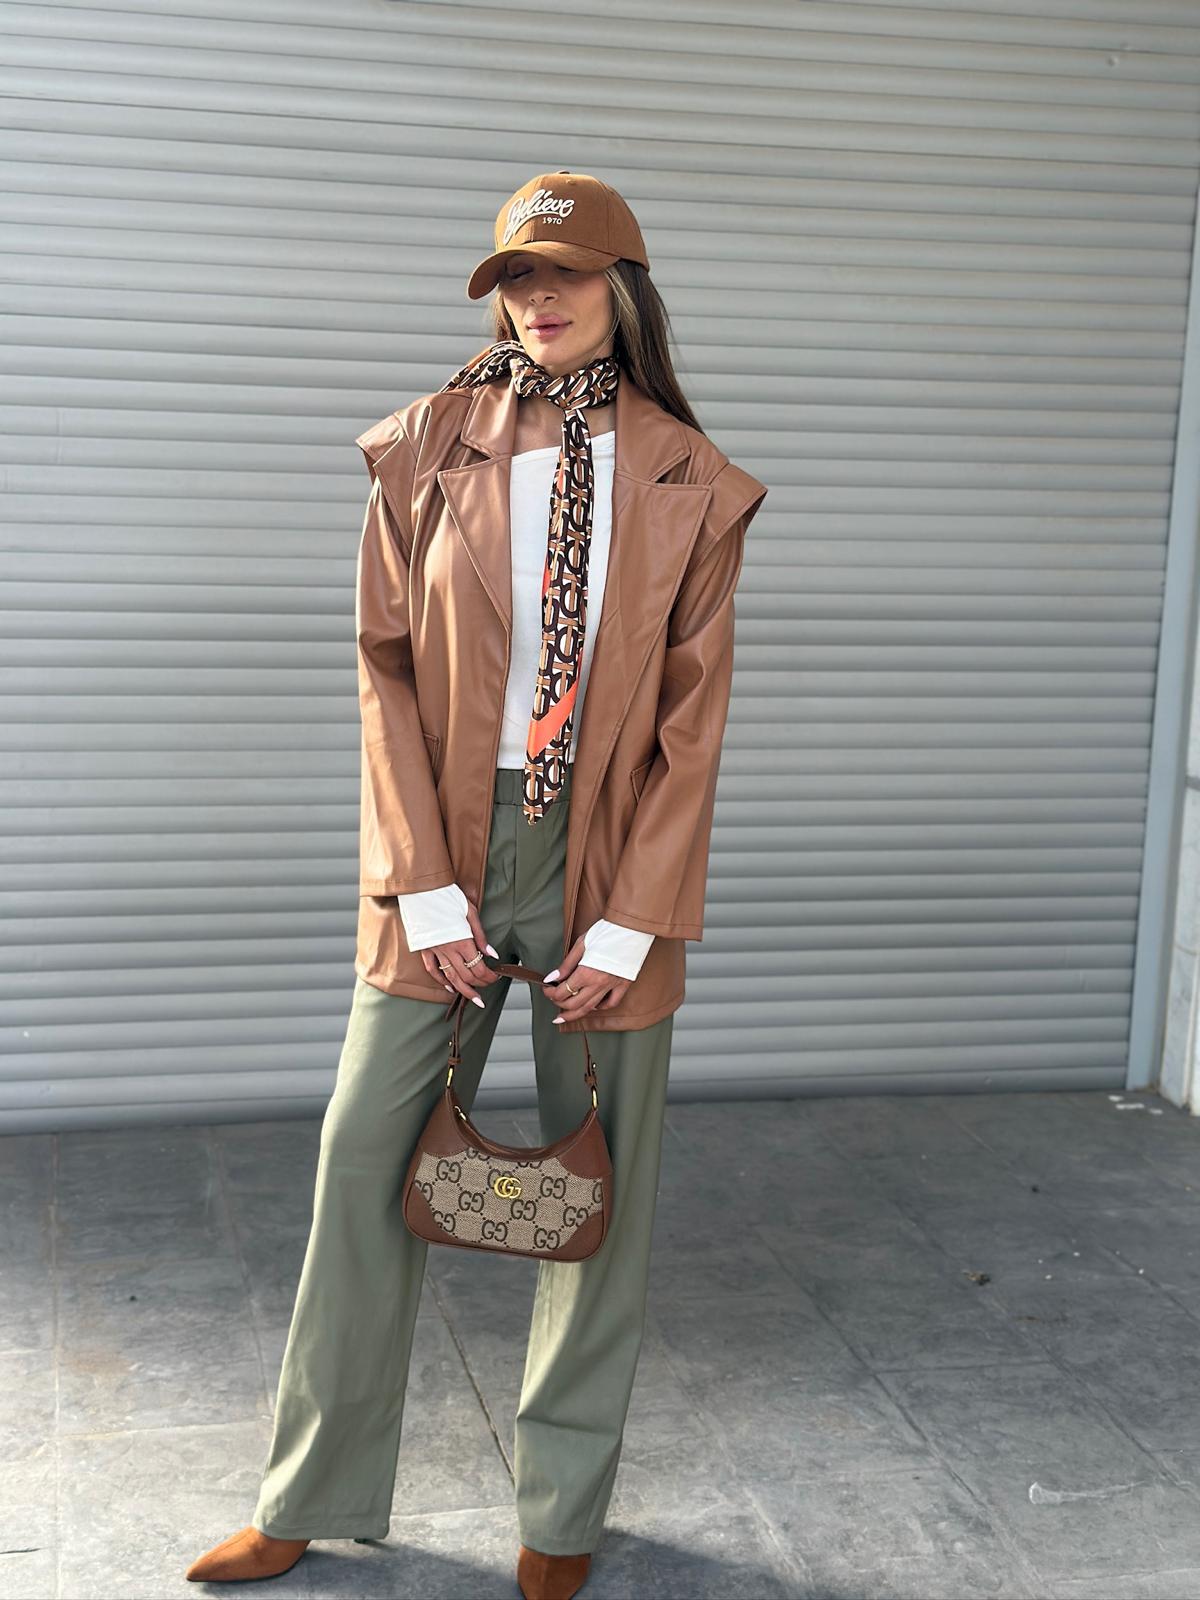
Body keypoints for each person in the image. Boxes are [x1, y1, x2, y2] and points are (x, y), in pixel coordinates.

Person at [185, 170, 768, 1600]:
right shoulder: (425, 450)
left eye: (565, 273)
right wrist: (424, 888)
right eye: (516, 276)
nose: (538, 298)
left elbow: (692, 726)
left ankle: (560, 1519)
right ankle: (305, 1496)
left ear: (625, 288)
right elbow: (384, 675)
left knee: (599, 1185)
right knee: (360, 1162)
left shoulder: (691, 480)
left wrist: (633, 922)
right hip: (444, 847)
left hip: (614, 856)